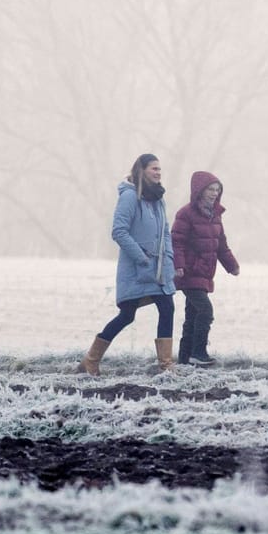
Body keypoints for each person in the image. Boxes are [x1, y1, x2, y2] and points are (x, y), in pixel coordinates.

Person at [83, 153, 177, 375]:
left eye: (160, 169)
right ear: (142, 170)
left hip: (158, 269)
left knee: (167, 307)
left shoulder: (159, 199)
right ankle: (91, 360)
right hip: (137, 269)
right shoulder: (129, 197)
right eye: (154, 168)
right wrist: (141, 257)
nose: (158, 173)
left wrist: (170, 259)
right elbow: (119, 231)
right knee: (127, 315)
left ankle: (166, 365)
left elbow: (165, 232)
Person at [172, 169, 239, 366]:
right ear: (199, 190)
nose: (214, 193)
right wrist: (179, 265)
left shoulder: (215, 215)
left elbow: (221, 245)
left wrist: (232, 265)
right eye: (210, 189)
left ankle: (184, 359)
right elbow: (176, 242)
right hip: (189, 272)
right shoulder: (185, 214)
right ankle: (199, 353)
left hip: (205, 274)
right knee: (205, 311)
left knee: (192, 316)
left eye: (217, 189)